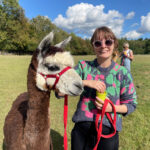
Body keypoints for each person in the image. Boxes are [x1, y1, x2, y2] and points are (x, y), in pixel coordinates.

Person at [71, 26, 137, 150]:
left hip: (108, 131)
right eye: (98, 43)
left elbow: (131, 104)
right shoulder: (83, 66)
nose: (103, 46)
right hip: (81, 131)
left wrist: (111, 107)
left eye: (108, 42)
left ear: (114, 44)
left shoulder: (122, 72)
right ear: (93, 46)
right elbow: (62, 85)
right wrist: (85, 82)